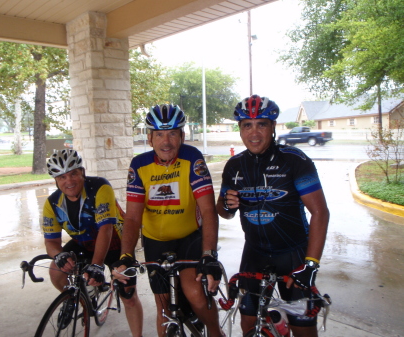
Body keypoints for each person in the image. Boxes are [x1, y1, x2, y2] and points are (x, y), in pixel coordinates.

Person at [216, 95, 330, 337]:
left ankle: (284, 324)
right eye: (247, 125)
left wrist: (311, 265)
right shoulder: (234, 166)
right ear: (240, 130)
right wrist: (227, 205)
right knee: (248, 324)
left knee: (303, 329)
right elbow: (224, 212)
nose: (254, 133)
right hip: (254, 253)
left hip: (294, 254)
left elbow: (320, 212)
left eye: (262, 124)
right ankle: (275, 325)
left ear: (273, 127)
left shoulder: (294, 160)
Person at [112, 104, 225, 337]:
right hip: (156, 241)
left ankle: (215, 332)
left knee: (194, 293)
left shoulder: (192, 158)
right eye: (160, 134)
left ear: (182, 136)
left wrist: (209, 254)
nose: (167, 142)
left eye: (173, 133)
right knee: (163, 307)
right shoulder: (139, 165)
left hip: (189, 238)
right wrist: (126, 255)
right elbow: (132, 217)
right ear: (150, 137)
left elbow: (208, 211)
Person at [42, 149, 143, 337]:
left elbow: (106, 229)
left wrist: (96, 265)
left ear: (82, 172)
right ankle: (82, 299)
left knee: (127, 294)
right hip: (84, 242)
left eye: (73, 174)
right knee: (56, 271)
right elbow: (51, 242)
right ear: (55, 180)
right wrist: (59, 255)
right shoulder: (52, 203)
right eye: (62, 177)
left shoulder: (100, 187)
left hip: (115, 241)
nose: (69, 181)